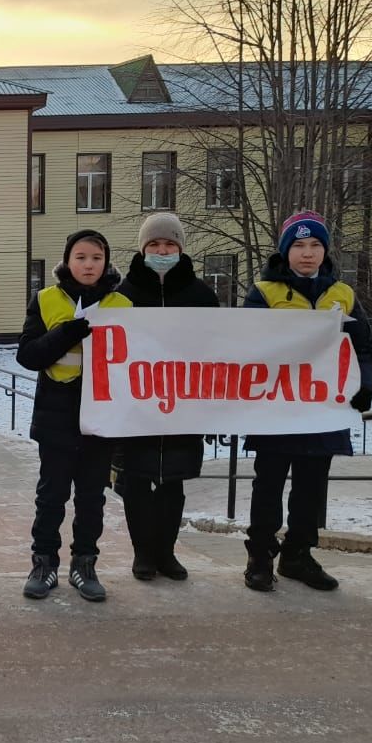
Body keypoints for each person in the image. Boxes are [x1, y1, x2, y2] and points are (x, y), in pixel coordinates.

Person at [242, 210, 372, 592]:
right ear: (285, 252)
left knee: (311, 485)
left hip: (322, 409)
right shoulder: (264, 292)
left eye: (315, 245)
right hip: (277, 408)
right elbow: (246, 345)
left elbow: (362, 346)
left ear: (325, 251)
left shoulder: (342, 294)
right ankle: (260, 556)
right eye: (298, 245)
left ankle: (298, 554)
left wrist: (364, 383)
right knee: (268, 483)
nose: (307, 253)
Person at [17, 229, 132, 602]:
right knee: (51, 496)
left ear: (106, 262)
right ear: (68, 261)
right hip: (57, 414)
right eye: (81, 257)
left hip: (101, 417)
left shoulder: (123, 305)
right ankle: (44, 563)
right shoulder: (46, 300)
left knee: (91, 497)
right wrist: (65, 334)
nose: (88, 264)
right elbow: (28, 355)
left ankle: (84, 564)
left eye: (96, 258)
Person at [114, 213, 219, 582]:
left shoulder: (201, 295)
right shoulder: (123, 295)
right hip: (136, 407)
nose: (162, 251)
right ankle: (143, 553)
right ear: (143, 250)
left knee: (173, 482)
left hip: (183, 406)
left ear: (181, 249)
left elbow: (218, 352)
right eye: (155, 245)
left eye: (169, 245)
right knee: (137, 481)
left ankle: (167, 553)